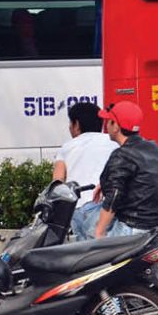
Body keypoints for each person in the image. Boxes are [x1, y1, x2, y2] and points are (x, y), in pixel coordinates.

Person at [93, 100, 158, 239]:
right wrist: (106, 183)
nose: (106, 125)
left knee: (85, 221)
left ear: (116, 126)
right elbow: (144, 177)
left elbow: (114, 196)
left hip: (135, 227)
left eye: (108, 121)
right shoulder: (153, 146)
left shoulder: (121, 155)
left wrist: (99, 232)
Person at [53, 101, 116, 240]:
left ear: (76, 124)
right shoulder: (113, 142)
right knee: (103, 250)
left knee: (82, 251)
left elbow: (57, 183)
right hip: (103, 207)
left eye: (70, 123)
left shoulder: (66, 147)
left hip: (75, 209)